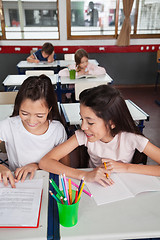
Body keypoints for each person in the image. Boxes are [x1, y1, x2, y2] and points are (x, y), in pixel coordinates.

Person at [39, 84, 160, 186]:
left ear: (112, 122)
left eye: (90, 122)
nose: (83, 127)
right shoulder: (83, 135)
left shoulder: (131, 139)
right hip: (94, 187)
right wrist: (85, 175)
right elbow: (45, 162)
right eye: (82, 119)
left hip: (124, 186)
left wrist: (126, 168)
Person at [0, 75, 69, 188]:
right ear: (18, 107)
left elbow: (65, 166)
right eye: (25, 113)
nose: (31, 121)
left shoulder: (57, 130)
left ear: (49, 109)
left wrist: (38, 166)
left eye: (39, 115)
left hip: (50, 184)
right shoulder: (8, 125)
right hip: (18, 184)